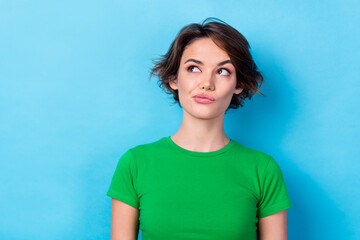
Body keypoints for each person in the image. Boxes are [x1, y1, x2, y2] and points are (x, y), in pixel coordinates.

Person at [106, 17, 293, 240]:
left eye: (223, 71)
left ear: (239, 85)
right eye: (193, 68)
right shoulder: (135, 164)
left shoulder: (263, 170)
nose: (207, 83)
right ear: (174, 78)